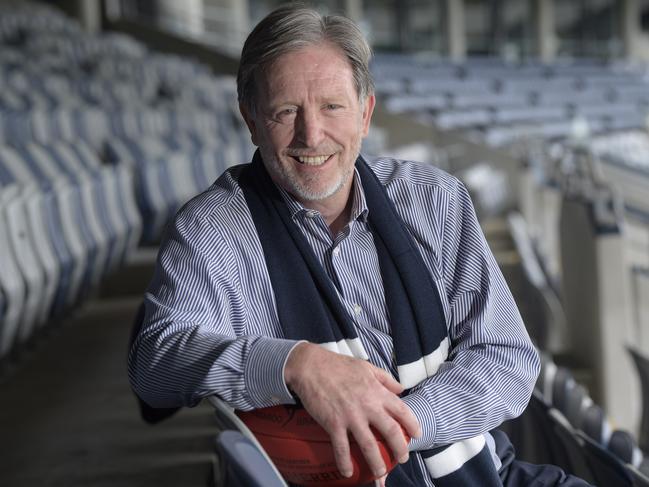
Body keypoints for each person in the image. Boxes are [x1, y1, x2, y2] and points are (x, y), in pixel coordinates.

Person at [128, 5, 590, 486]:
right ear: (251, 118)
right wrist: (293, 363)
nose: (312, 135)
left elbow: (508, 357)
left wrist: (389, 427)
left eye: (332, 106)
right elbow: (156, 364)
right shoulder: (213, 228)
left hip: (484, 474)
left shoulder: (435, 200)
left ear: (366, 113)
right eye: (286, 111)